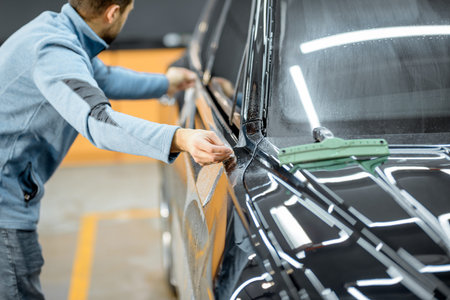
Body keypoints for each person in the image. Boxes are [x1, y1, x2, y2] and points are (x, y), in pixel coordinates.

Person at [0, 0, 233, 298]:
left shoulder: (58, 31)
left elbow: (103, 78)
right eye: (128, 12)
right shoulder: (54, 49)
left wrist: (166, 83)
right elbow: (98, 121)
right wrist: (180, 138)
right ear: (112, 13)